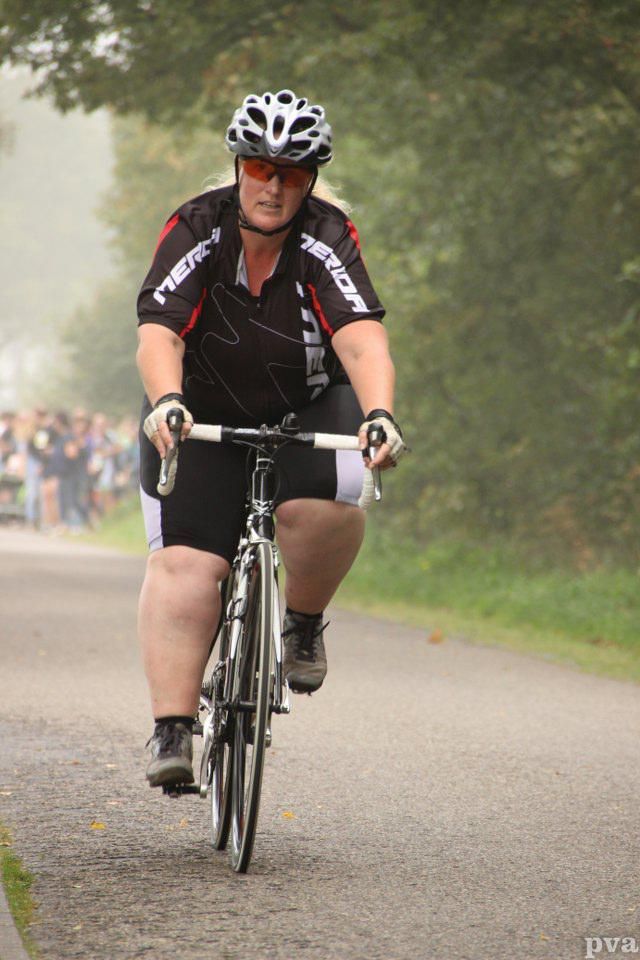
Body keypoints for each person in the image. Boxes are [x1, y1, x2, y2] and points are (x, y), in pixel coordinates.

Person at [137, 89, 406, 788]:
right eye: (260, 168)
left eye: (291, 172)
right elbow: (159, 333)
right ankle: (173, 728)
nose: (274, 186)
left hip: (306, 406)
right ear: (238, 168)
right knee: (187, 565)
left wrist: (379, 412)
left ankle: (303, 621)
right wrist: (167, 400)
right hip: (197, 409)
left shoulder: (326, 236)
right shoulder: (197, 227)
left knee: (327, 506)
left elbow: (361, 337)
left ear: (311, 180)